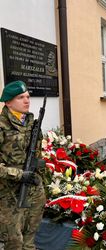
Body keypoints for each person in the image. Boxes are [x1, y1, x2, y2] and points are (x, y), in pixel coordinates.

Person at [0, 80, 46, 249]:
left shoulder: (31, 123)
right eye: (21, 97)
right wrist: (19, 175)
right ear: (8, 101)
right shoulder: (2, 126)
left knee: (30, 238)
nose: (27, 100)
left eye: (28, 96)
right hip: (9, 195)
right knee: (15, 242)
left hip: (33, 189)